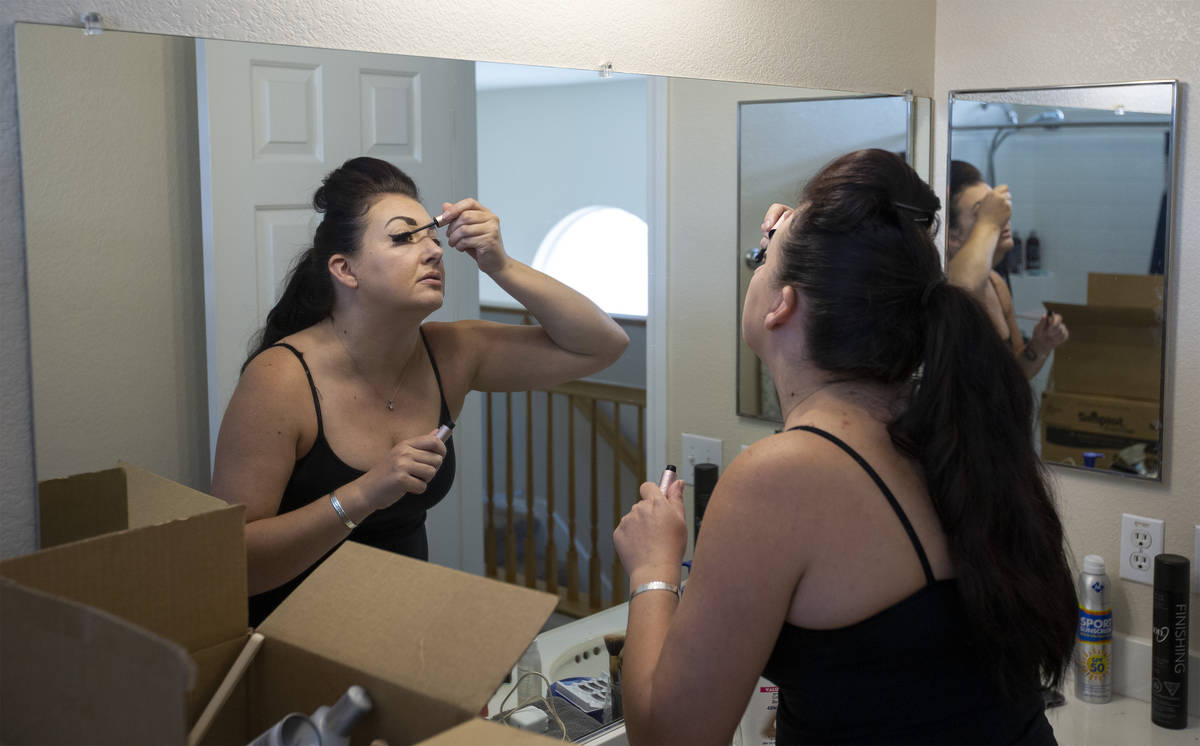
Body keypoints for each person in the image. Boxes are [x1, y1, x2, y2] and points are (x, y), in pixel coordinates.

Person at [614, 149, 1077, 745]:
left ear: (783, 304)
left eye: (760, 260)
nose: (753, 270)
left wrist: (653, 568)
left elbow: (670, 738)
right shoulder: (944, 429)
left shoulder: (781, 477)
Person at [211, 156, 629, 625]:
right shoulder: (281, 379)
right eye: (404, 237)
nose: (432, 251)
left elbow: (603, 345)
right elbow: (234, 565)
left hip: (402, 633)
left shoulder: (452, 353)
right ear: (345, 269)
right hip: (293, 643)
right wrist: (366, 492)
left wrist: (502, 265)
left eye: (432, 236)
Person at [946, 160, 1068, 378]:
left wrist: (1039, 346)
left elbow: (1012, 377)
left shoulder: (996, 284)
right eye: (983, 211)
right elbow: (961, 289)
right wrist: (989, 224)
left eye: (997, 209)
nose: (1002, 218)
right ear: (952, 236)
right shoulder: (945, 286)